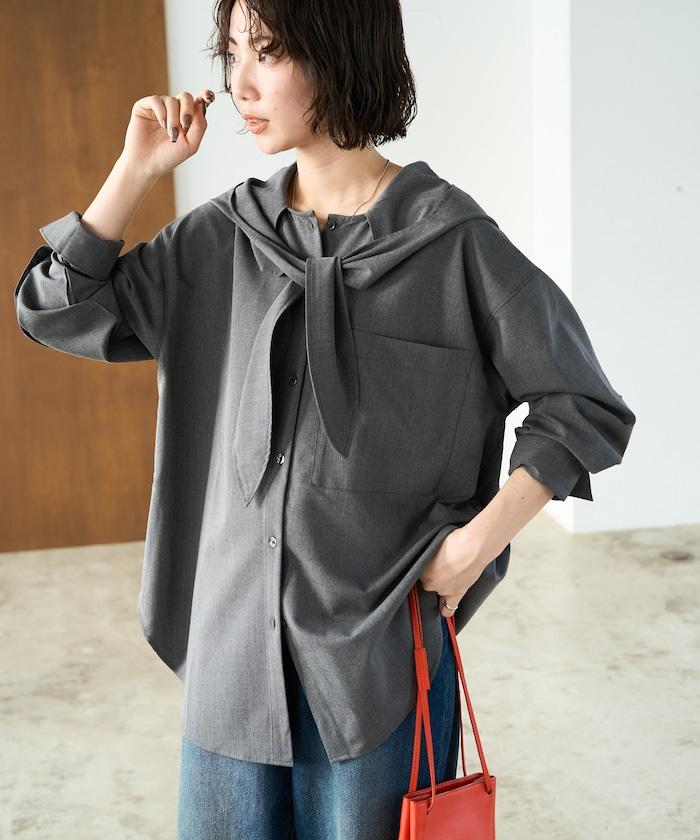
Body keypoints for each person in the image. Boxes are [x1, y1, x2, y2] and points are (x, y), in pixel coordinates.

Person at [14, 0, 637, 837]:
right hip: (232, 656)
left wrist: (474, 547)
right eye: (230, 52)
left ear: (340, 52)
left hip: (375, 663)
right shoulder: (220, 240)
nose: (238, 83)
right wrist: (135, 172)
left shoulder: (452, 243)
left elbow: (583, 403)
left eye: (267, 51)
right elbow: (55, 310)